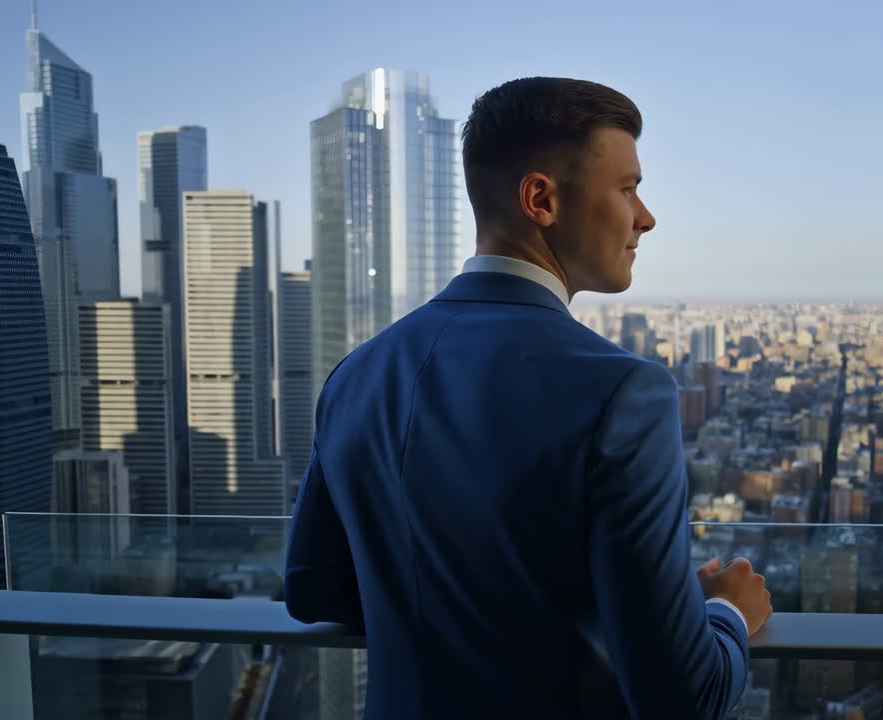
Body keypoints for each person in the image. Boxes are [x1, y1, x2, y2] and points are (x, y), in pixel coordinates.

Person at [285, 76, 772, 720]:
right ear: (541, 199)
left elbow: (315, 588)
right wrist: (727, 612)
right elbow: (683, 698)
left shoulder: (357, 373)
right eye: (628, 189)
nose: (646, 217)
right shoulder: (624, 391)